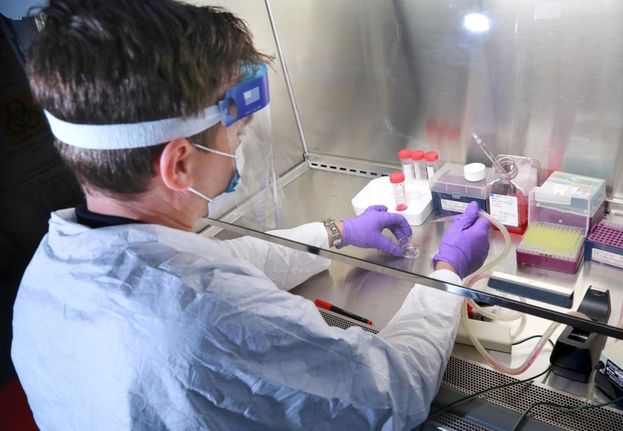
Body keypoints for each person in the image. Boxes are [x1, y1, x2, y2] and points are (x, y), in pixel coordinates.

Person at [11, 0, 491, 430]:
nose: (240, 145)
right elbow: (395, 392)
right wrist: (446, 277)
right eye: (235, 135)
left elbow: (214, 263)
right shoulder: (211, 322)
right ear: (180, 163)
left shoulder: (52, 271)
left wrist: (336, 232)